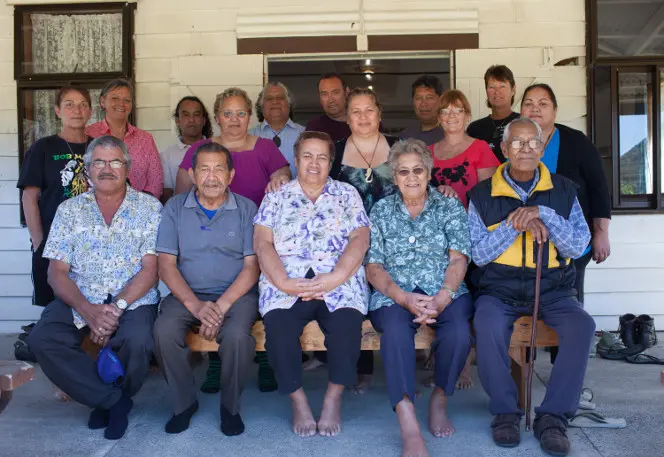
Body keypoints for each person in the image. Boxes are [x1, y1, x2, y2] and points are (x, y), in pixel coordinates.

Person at [468, 118, 595, 456]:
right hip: (500, 288)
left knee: (582, 326)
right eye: (517, 143)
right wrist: (515, 223)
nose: (525, 149)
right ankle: (505, 413)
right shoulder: (482, 195)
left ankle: (553, 417)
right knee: (486, 323)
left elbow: (577, 245)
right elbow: (478, 255)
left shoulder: (565, 190)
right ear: (504, 150)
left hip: (553, 287)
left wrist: (544, 215)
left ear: (541, 148)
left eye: (532, 143)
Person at [27, 135, 163, 440]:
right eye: (98, 162)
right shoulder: (69, 210)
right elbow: (56, 273)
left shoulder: (149, 208)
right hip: (80, 297)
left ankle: (109, 397)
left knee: (139, 340)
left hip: (132, 300)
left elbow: (150, 270)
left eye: (115, 161)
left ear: (127, 167)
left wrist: (115, 309)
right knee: (43, 339)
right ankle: (111, 400)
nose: (106, 168)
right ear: (87, 169)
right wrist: (88, 311)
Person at [253, 131, 370, 437]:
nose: (314, 163)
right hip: (287, 279)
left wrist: (336, 277)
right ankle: (298, 401)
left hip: (338, 279)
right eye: (307, 156)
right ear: (296, 160)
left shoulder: (347, 194)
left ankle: (333, 399)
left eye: (322, 157)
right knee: (277, 330)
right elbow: (263, 243)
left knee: (346, 327)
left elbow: (360, 238)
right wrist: (283, 282)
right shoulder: (276, 195)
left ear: (331, 162)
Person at [175, 87, 290, 393]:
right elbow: (181, 197)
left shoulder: (265, 148)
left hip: (262, 238)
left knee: (264, 301)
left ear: (251, 116)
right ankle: (215, 365)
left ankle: (266, 363)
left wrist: (281, 179)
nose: (235, 119)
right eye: (228, 113)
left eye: (241, 113)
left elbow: (286, 184)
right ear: (216, 117)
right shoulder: (200, 150)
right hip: (213, 239)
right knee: (216, 296)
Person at [366, 139, 473, 457]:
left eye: (417, 170)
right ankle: (407, 418)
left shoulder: (449, 206)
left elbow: (458, 259)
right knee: (396, 334)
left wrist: (442, 298)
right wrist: (403, 298)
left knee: (457, 333)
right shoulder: (381, 210)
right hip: (394, 294)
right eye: (403, 172)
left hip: (446, 290)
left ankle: (440, 397)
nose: (411, 177)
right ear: (393, 177)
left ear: (429, 172)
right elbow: (373, 265)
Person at [154, 142, 259, 437]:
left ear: (231, 175)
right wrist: (197, 306)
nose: (211, 176)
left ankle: (230, 407)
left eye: (219, 169)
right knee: (163, 332)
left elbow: (251, 267)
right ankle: (183, 403)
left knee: (238, 337)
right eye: (204, 169)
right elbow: (166, 265)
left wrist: (221, 307)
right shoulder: (174, 208)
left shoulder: (246, 209)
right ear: (192, 173)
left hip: (235, 295)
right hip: (186, 294)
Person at [520, 83, 611, 305]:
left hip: (572, 240)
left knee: (569, 301)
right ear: (521, 110)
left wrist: (601, 232)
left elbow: (599, 187)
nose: (535, 109)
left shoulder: (576, 141)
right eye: (529, 104)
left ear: (555, 110)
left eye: (543, 104)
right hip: (526, 240)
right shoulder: (513, 142)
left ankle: (570, 339)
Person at [17, 86, 93, 309]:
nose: (76, 110)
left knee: (91, 308)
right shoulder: (43, 148)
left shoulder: (99, 147)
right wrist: (40, 243)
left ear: (90, 111)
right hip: (54, 244)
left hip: (93, 244)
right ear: (58, 111)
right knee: (56, 310)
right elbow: (29, 197)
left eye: (83, 105)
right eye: (69, 104)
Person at [86, 79, 163, 198]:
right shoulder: (89, 134)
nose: (121, 104)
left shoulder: (145, 139)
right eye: (115, 98)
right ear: (102, 101)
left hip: (138, 211)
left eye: (127, 100)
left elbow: (155, 182)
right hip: (95, 208)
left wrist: (140, 207)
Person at [430, 89, 500, 209]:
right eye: (445, 111)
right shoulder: (427, 152)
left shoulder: (480, 148)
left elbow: (490, 195)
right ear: (439, 118)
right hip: (436, 224)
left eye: (458, 110)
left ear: (467, 116)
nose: (451, 115)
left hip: (471, 223)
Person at [160, 96, 212, 202]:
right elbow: (167, 192)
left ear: (204, 120)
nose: (191, 120)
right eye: (186, 115)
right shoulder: (167, 155)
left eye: (196, 115)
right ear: (178, 121)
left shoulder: (217, 149)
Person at [467, 65, 520, 163]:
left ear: (513, 89)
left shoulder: (523, 122)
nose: (497, 92)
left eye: (502, 86)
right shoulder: (474, 128)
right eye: (491, 87)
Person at [250, 82, 305, 176]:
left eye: (280, 97)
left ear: (289, 104)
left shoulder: (304, 134)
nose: (275, 102)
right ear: (261, 106)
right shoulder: (249, 136)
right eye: (269, 98)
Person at [399, 75, 445, 145]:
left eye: (429, 98)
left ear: (441, 100)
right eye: (418, 98)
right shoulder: (406, 137)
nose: (423, 104)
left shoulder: (449, 135)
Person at [305, 73, 351, 142]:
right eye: (324, 94)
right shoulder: (314, 128)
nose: (330, 100)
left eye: (335, 92)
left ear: (347, 92)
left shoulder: (362, 122)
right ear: (319, 98)